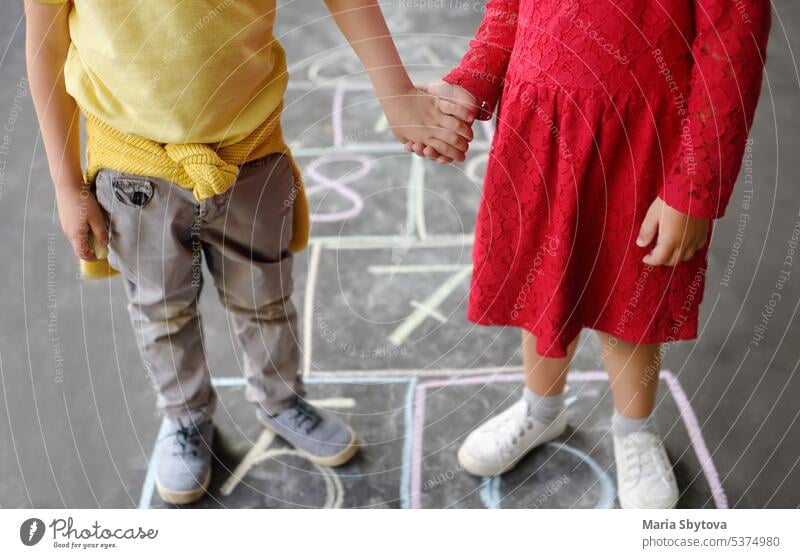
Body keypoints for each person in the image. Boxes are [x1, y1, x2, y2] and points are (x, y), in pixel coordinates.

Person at [25, 0, 473, 504]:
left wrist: (397, 95)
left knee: (265, 295)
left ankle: (281, 401)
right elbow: (46, 46)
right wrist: (66, 186)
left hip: (249, 151)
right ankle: (186, 418)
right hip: (134, 168)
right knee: (160, 307)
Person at [406, 0, 770, 508]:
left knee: (630, 290)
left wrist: (694, 186)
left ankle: (633, 429)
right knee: (543, 280)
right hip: (538, 126)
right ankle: (541, 407)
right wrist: (470, 81)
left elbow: (731, 46)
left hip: (642, 137)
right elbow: (509, 7)